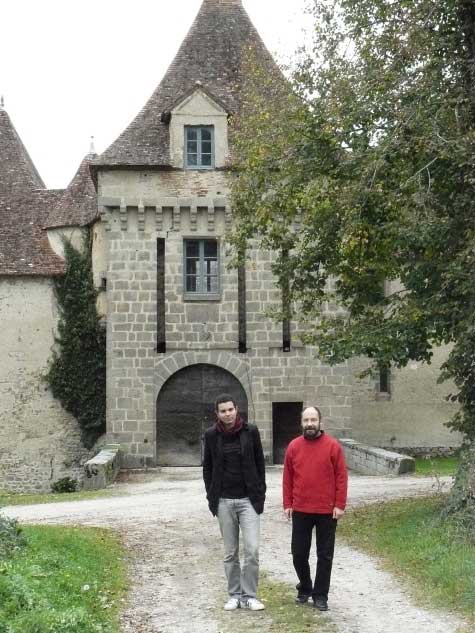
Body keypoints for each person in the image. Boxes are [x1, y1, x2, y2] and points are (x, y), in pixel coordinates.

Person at [203, 394, 266, 611]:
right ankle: (234, 595)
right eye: (223, 411)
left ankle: (249, 596)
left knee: (252, 549)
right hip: (224, 501)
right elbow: (207, 468)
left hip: (248, 500)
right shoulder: (211, 435)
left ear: (237, 409)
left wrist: (260, 494)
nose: (227, 414)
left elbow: (260, 463)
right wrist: (212, 496)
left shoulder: (251, 431)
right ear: (217, 414)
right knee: (230, 552)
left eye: (230, 409)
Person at [283, 406, 348, 611]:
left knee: (325, 555)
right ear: (301, 423)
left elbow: (341, 477)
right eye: (306, 420)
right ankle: (305, 587)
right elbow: (288, 478)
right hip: (301, 508)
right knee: (298, 553)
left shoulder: (333, 446)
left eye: (313, 420)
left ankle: (320, 595)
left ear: (320, 422)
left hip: (327, 510)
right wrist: (288, 503)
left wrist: (340, 504)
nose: (310, 424)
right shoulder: (293, 447)